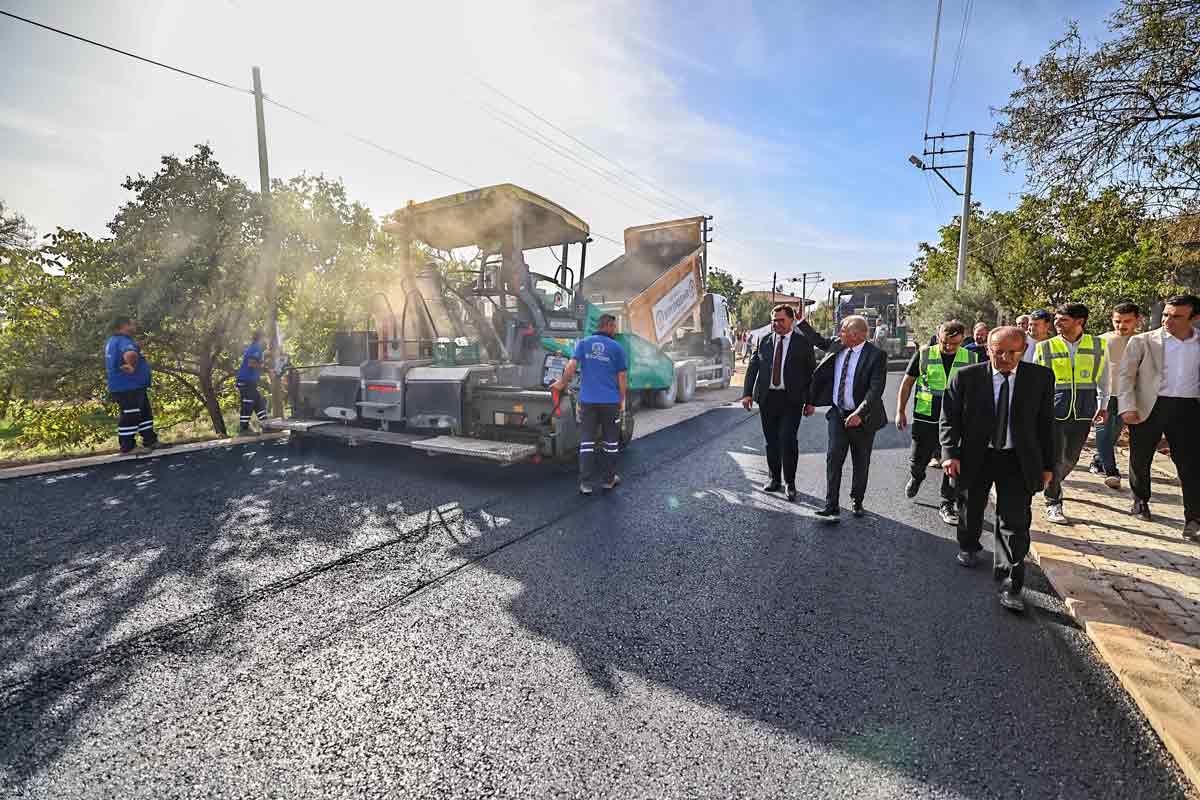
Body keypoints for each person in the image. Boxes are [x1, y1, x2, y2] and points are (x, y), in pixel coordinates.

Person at [941, 326, 1054, 612]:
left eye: (1012, 352)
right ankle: (969, 545)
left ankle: (1010, 583)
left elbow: (1046, 424)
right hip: (975, 456)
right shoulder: (966, 377)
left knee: (1015, 521)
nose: (1005, 358)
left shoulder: (1040, 378)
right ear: (988, 349)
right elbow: (949, 418)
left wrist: (1048, 465)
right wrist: (950, 454)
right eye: (998, 351)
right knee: (971, 507)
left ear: (1024, 350)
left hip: (1018, 459)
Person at [1118, 294, 1200, 538]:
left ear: (1195, 318)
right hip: (1150, 406)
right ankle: (1140, 500)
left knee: (1191, 464)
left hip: (1189, 408)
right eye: (1166, 314)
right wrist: (1127, 406)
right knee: (1141, 457)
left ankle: (1193, 518)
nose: (1167, 320)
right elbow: (1125, 376)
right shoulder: (1143, 341)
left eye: (1177, 317)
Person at [797, 314, 888, 519]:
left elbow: (875, 390)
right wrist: (801, 322)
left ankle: (857, 500)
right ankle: (831, 504)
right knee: (833, 458)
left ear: (856, 335)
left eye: (844, 330)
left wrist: (859, 413)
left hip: (863, 418)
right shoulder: (837, 344)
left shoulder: (876, 356)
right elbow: (818, 340)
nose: (839, 333)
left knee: (861, 460)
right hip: (838, 414)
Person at [895, 320, 978, 525]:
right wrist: (900, 411)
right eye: (944, 342)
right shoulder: (924, 354)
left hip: (956, 420)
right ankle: (917, 477)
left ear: (962, 340)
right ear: (938, 336)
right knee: (918, 460)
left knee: (952, 462)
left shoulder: (971, 358)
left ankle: (946, 503)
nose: (948, 347)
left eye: (954, 344)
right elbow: (907, 383)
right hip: (926, 417)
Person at [1034, 303, 1108, 524]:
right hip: (1054, 409)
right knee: (1056, 458)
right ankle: (1053, 502)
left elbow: (1104, 377)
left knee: (1071, 458)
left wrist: (1103, 405)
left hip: (1084, 409)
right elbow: (1035, 380)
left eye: (1063, 319)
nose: (1057, 323)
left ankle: (1052, 480)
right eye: (1056, 319)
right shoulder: (1045, 347)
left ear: (1079, 321)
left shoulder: (1098, 345)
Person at [741, 305, 816, 501]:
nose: (777, 324)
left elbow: (810, 374)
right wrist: (747, 394)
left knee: (788, 439)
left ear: (791, 320)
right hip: (767, 399)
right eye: (774, 320)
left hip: (791, 400)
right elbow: (753, 367)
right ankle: (774, 479)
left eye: (781, 320)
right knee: (771, 440)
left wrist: (810, 401)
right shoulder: (764, 340)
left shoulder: (803, 343)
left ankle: (790, 483)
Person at [551, 313, 627, 495]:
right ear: (608, 326)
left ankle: (585, 484)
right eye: (614, 327)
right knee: (611, 443)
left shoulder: (584, 344)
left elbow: (571, 366)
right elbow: (622, 378)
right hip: (610, 402)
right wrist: (621, 400)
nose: (615, 330)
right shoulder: (617, 348)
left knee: (586, 442)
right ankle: (608, 480)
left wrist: (561, 383)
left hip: (588, 402)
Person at [1088, 303, 1140, 488]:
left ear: (1137, 320)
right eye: (1117, 321)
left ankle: (1098, 461)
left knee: (1114, 433)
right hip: (1104, 395)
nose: (1121, 325)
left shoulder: (1142, 341)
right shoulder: (1101, 341)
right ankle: (1111, 471)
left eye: (1127, 321)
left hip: (1128, 396)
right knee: (1102, 431)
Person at [105, 316, 163, 455]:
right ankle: (128, 446)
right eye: (132, 324)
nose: (135, 327)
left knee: (144, 414)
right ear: (124, 326)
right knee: (131, 414)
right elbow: (130, 354)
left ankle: (150, 440)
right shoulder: (124, 341)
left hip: (132, 386)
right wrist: (131, 365)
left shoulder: (113, 341)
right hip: (127, 387)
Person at [236, 330, 269, 435]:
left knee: (259, 402)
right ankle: (243, 429)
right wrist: (265, 369)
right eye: (265, 338)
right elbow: (251, 363)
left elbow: (256, 363)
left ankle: (266, 426)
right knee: (248, 403)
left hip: (249, 382)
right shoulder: (256, 348)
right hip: (245, 381)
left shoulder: (255, 348)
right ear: (261, 338)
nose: (267, 341)